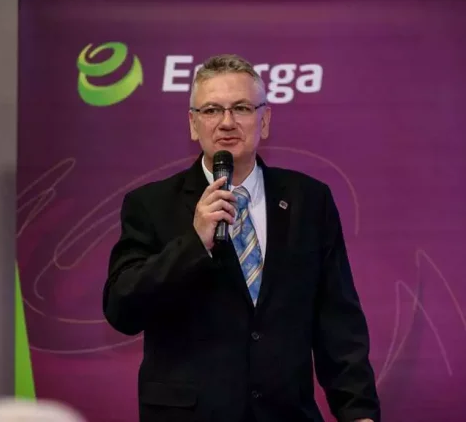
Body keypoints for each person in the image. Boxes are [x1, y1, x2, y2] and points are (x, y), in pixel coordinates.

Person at [103, 54, 380, 422]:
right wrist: (194, 242)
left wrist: (358, 413)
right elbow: (122, 309)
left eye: (242, 108)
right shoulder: (151, 205)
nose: (227, 122)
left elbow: (338, 323)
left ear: (264, 120)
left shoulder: (309, 201)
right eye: (211, 110)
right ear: (193, 123)